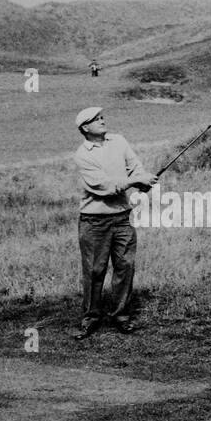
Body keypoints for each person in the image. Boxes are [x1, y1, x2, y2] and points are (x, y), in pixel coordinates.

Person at [71, 107, 157, 339]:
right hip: (94, 221)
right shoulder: (83, 155)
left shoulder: (119, 141)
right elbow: (103, 186)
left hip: (122, 217)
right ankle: (91, 317)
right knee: (94, 270)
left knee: (125, 267)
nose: (101, 120)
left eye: (101, 117)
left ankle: (121, 316)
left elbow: (134, 165)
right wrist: (135, 180)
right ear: (85, 128)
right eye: (95, 119)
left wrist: (141, 179)